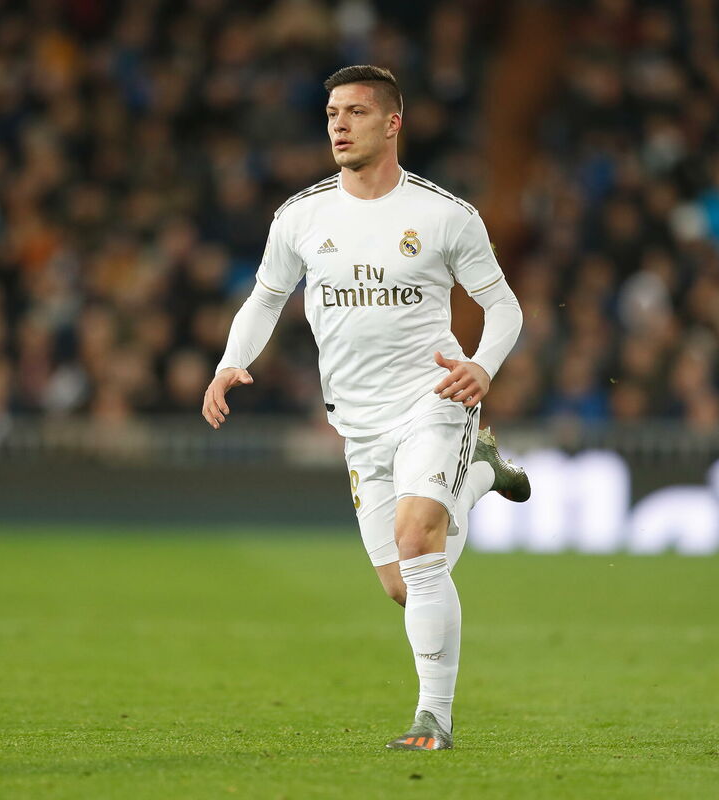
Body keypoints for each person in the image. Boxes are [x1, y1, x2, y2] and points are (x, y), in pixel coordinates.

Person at [202, 65, 529, 750]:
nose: (339, 126)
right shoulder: (301, 216)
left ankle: (433, 719)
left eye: (354, 112)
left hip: (434, 401)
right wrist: (232, 360)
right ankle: (480, 475)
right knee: (405, 586)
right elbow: (266, 298)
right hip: (357, 421)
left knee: (418, 543)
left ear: (392, 122)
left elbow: (503, 307)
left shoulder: (444, 216)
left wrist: (481, 366)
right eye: (331, 114)